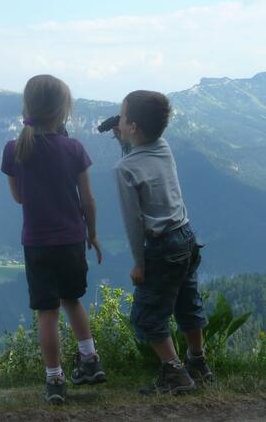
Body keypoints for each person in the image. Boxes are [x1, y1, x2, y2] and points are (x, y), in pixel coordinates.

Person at [1, 74, 106, 406]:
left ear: (27, 106)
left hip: (37, 242)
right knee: (72, 300)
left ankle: (55, 380)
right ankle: (89, 360)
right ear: (63, 110)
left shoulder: (14, 148)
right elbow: (88, 200)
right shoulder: (74, 148)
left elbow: (18, 197)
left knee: (47, 313)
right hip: (72, 239)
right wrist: (92, 234)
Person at [112, 90, 213, 395]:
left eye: (123, 116)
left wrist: (139, 264)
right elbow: (142, 160)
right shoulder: (164, 147)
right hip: (186, 238)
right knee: (187, 304)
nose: (119, 119)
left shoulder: (123, 169)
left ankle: (175, 373)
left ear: (134, 128)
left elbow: (133, 223)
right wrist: (123, 140)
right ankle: (198, 362)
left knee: (147, 316)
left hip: (161, 247)